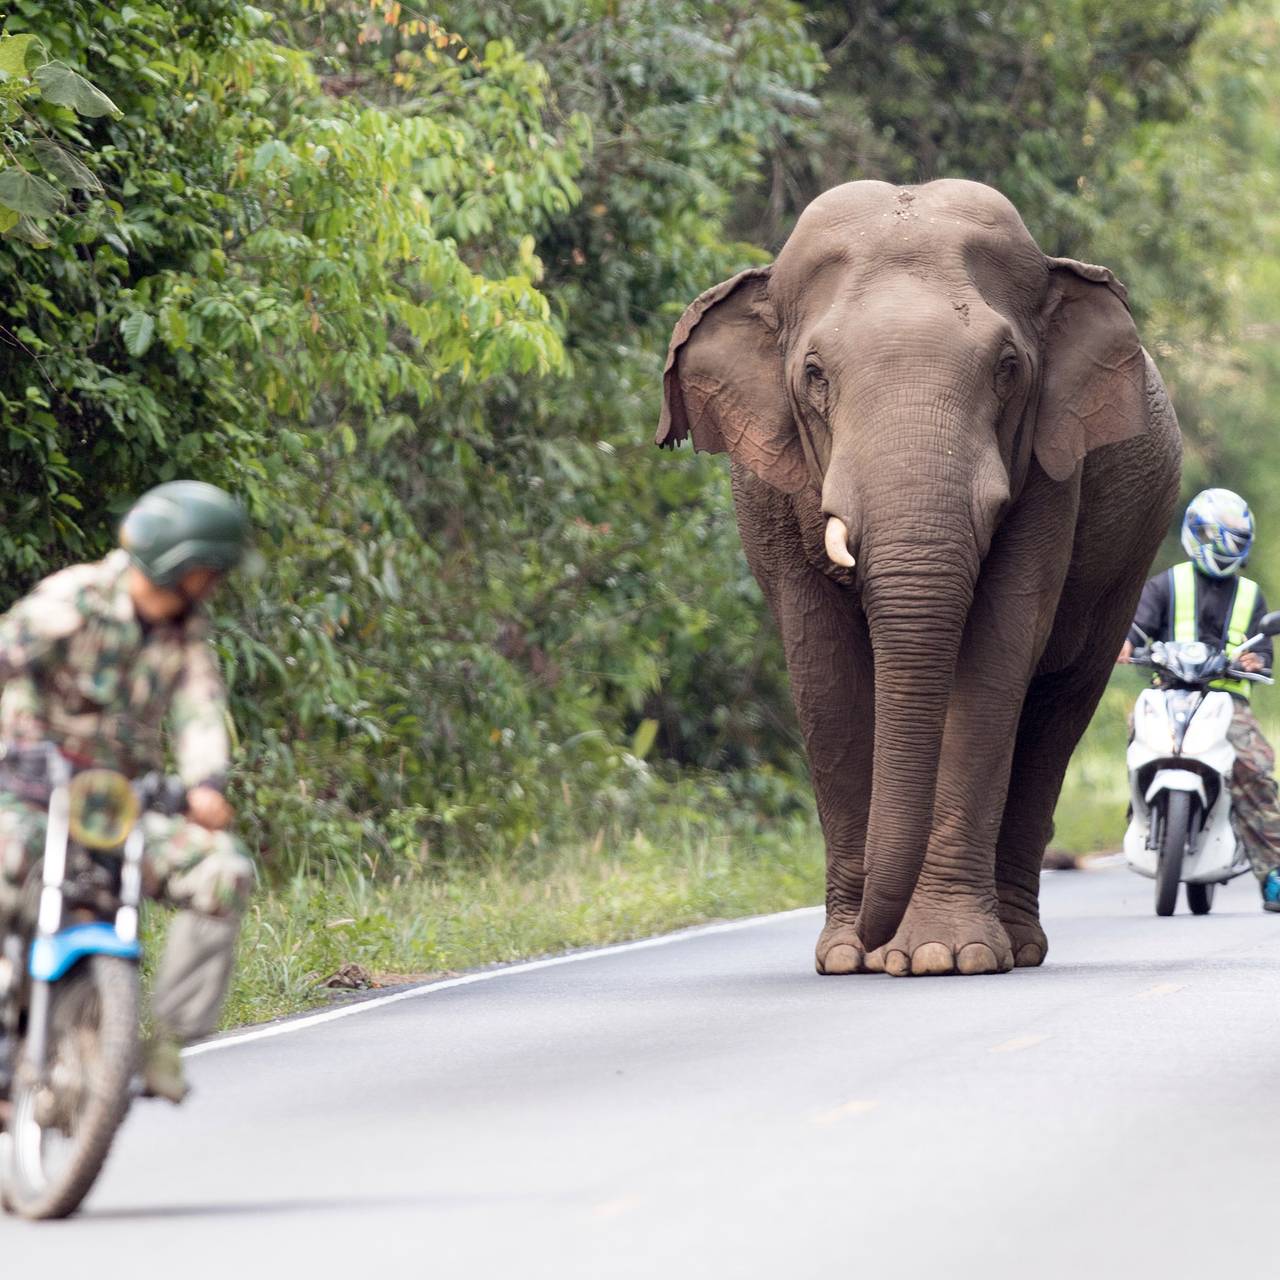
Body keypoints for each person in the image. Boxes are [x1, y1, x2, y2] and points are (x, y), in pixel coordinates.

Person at [0, 480, 255, 1102]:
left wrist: (204, 784)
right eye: (209, 570)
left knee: (224, 870)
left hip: (111, 806)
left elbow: (200, 709)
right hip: (25, 791)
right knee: (8, 861)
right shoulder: (75, 600)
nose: (215, 583)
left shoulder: (183, 634)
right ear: (178, 562)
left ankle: (163, 1041)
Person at [1117, 487, 1280, 911]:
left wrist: (1254, 659)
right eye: (1216, 535)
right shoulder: (1165, 584)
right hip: (1168, 692)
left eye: (1235, 540)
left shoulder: (1250, 595)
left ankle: (1274, 874)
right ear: (1196, 534)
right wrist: (1124, 646)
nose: (1224, 547)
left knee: (1256, 770)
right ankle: (1137, 811)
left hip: (1227, 703)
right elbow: (1135, 630)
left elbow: (1263, 653)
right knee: (1138, 734)